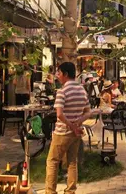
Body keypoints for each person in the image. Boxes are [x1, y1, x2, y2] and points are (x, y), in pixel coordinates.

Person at [45, 62, 91, 194]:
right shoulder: (82, 90)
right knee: (72, 162)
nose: (57, 76)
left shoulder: (62, 91)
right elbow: (88, 112)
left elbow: (59, 114)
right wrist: (77, 123)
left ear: (65, 74)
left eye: (59, 73)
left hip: (62, 133)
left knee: (53, 161)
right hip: (75, 133)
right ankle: (70, 191)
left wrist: (71, 125)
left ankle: (50, 191)